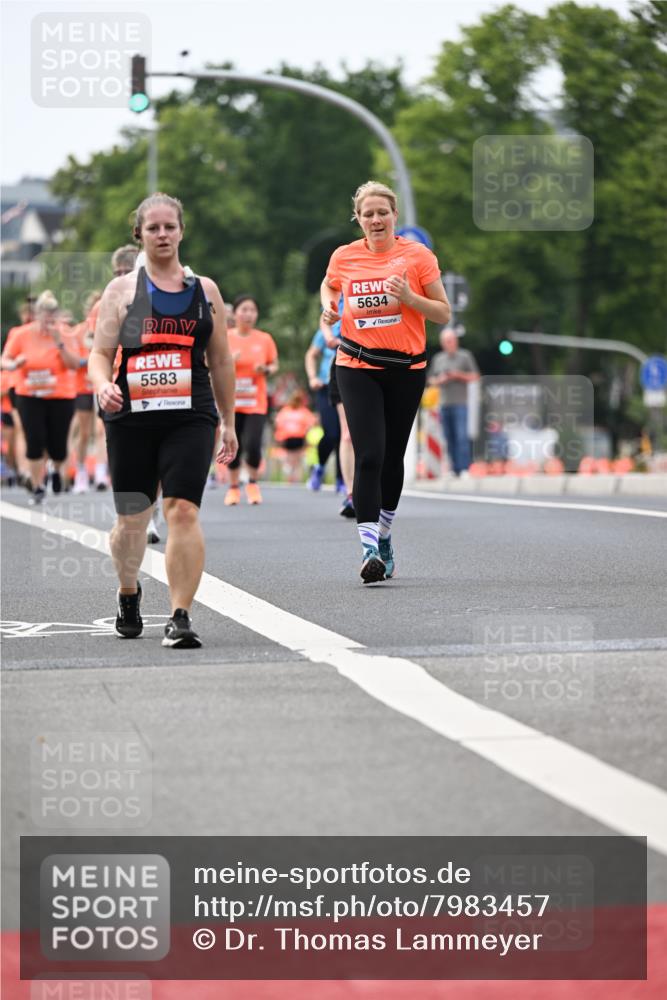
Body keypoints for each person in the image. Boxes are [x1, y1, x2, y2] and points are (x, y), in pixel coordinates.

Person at [88, 192, 238, 649]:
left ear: (181, 231)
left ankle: (180, 615)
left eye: (169, 226)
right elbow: (100, 354)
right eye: (152, 228)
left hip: (190, 414)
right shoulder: (122, 291)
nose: (162, 234)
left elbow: (222, 360)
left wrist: (228, 422)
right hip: (131, 415)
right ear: (139, 235)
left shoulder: (204, 292)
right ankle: (129, 592)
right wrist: (102, 385)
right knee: (133, 521)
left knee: (182, 510)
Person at [320, 181, 450, 582]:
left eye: (382, 213)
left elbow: (442, 313)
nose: (375, 220)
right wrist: (328, 306)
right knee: (369, 455)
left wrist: (410, 298)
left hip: (406, 369)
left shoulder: (418, 256)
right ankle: (369, 549)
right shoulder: (344, 256)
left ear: (395, 216)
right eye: (368, 214)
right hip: (356, 364)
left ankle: (386, 534)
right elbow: (329, 284)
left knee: (393, 457)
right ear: (358, 219)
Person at [1, 290, 80, 503]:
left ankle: (54, 468)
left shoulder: (64, 333)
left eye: (52, 314)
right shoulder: (21, 334)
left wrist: (59, 343)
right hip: (30, 395)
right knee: (34, 439)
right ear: (36, 314)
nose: (48, 319)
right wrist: (14, 364)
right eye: (44, 314)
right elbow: (4, 359)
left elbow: (74, 364)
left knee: (58, 447)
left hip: (60, 395)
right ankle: (37, 486)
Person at [224, 294, 279, 506]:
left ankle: (253, 483)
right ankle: (233, 487)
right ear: (235, 313)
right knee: (232, 445)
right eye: (244, 310)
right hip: (230, 402)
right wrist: (229, 361)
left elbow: (274, 364)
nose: (248, 314)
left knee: (254, 444)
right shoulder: (225, 337)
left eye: (252, 310)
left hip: (256, 401)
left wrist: (265, 369)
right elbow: (212, 363)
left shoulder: (264, 339)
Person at [427, 327, 479, 477]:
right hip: (444, 403)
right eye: (445, 342)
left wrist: (458, 375)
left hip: (461, 402)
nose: (448, 344)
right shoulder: (438, 359)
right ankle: (453, 468)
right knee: (448, 437)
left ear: (455, 341)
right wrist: (440, 380)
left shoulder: (465, 356)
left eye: (450, 341)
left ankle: (464, 468)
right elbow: (431, 379)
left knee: (461, 436)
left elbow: (475, 376)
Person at [304, 315, 344, 495]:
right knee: (332, 433)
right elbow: (311, 355)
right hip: (326, 386)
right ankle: (319, 467)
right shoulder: (327, 331)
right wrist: (313, 377)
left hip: (350, 386)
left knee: (346, 434)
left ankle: (342, 479)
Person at [273, 389, 316, 482]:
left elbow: (278, 423)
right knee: (294, 459)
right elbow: (279, 424)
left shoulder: (288, 411)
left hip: (294, 438)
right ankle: (293, 477)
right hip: (291, 438)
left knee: (292, 459)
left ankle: (292, 478)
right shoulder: (299, 411)